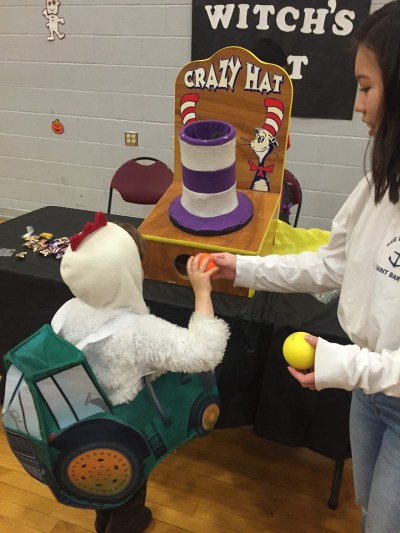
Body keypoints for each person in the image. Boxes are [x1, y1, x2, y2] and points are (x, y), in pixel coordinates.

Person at [213, 2, 400, 531]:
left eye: (366, 87)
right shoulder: (377, 187)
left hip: (380, 388)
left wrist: (340, 365)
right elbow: (328, 264)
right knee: (373, 515)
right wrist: (241, 268)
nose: (358, 104)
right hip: (369, 397)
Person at [55, 212, 230, 533]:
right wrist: (202, 292)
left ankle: (103, 517)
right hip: (123, 423)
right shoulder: (138, 332)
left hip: (82, 419)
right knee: (129, 487)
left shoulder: (67, 311)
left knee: (105, 481)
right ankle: (124, 523)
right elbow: (205, 353)